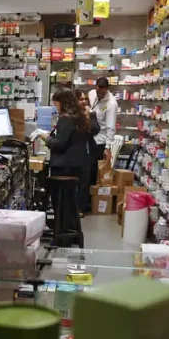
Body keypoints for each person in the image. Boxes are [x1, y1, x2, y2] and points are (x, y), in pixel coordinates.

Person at [46, 89, 93, 245]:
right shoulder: (80, 117)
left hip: (64, 166)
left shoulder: (65, 119)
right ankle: (70, 233)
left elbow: (60, 144)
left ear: (63, 102)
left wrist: (47, 139)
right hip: (77, 165)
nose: (55, 106)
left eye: (56, 103)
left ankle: (62, 236)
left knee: (60, 202)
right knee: (70, 203)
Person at [88, 76, 119, 162]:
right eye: (98, 92)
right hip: (89, 138)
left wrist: (107, 148)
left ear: (107, 89)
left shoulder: (111, 103)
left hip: (100, 141)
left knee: (96, 167)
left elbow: (111, 127)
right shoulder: (91, 93)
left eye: (103, 93)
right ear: (95, 87)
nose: (100, 95)